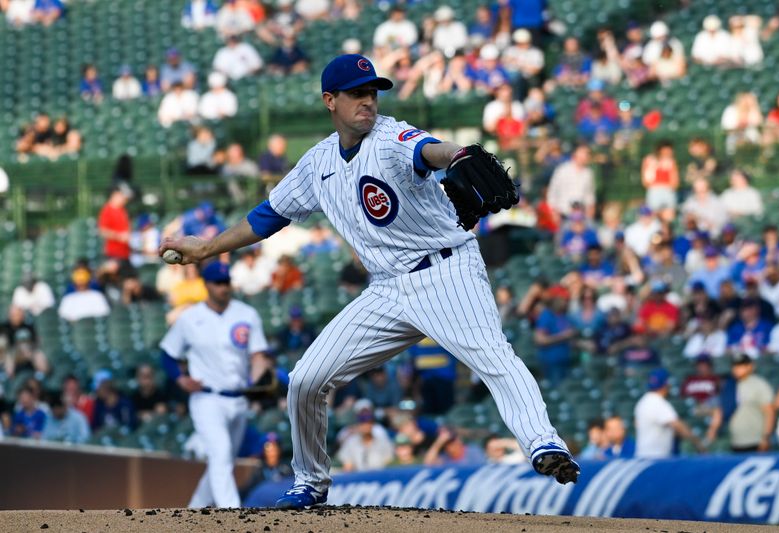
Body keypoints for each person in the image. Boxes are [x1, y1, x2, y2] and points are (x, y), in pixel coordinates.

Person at [160, 53, 581, 509]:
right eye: (357, 93)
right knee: (305, 379)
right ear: (330, 100)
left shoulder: (389, 137)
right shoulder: (317, 163)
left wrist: (458, 154)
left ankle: (544, 444)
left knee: (494, 358)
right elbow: (267, 216)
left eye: (373, 92)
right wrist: (206, 248)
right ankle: (310, 481)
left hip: (446, 272)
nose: (368, 101)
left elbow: (428, 149)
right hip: (386, 289)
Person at [160, 261, 271, 508]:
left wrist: (256, 379)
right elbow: (168, 354)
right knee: (220, 455)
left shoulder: (246, 314)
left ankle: (193, 512)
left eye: (226, 282)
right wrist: (181, 379)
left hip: (239, 398)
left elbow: (258, 356)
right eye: (218, 283)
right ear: (206, 285)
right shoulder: (190, 318)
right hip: (207, 398)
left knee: (224, 463)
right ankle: (232, 515)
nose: (224, 287)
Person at [706, 353, 775, 452]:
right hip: (734, 442)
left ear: (750, 366)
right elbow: (721, 410)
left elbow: (769, 412)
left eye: (741, 365)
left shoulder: (760, 385)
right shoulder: (729, 385)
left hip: (756, 441)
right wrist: (713, 430)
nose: (737, 369)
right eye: (735, 366)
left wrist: (766, 437)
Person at [634, 368, 704, 458]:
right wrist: (697, 443)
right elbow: (678, 425)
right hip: (656, 458)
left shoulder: (642, 402)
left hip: (642, 455)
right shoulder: (658, 403)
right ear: (666, 385)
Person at [336, 408, 394, 472]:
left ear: (373, 424)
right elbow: (347, 467)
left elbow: (389, 465)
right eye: (363, 422)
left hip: (380, 479)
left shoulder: (383, 442)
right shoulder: (351, 442)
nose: (366, 425)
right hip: (359, 479)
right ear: (358, 425)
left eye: (369, 422)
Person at [547, 144, 595, 218]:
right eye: (584, 153)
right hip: (563, 213)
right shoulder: (562, 170)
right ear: (575, 154)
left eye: (587, 154)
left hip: (581, 216)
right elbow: (552, 192)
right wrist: (554, 212)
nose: (586, 156)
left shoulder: (588, 173)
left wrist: (590, 213)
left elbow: (589, 196)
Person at [1, 304, 49, 378]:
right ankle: (10, 380)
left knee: (38, 354)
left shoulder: (28, 326)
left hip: (27, 352)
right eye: (14, 314)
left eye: (18, 314)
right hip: (10, 353)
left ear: (22, 315)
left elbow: (36, 342)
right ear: (9, 315)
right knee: (8, 357)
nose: (16, 316)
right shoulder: (3, 327)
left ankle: (43, 376)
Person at [97, 185, 132, 262]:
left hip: (125, 253)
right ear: (115, 195)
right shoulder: (107, 210)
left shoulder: (122, 210)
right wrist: (119, 236)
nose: (124, 199)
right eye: (122, 196)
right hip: (113, 253)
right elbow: (102, 231)